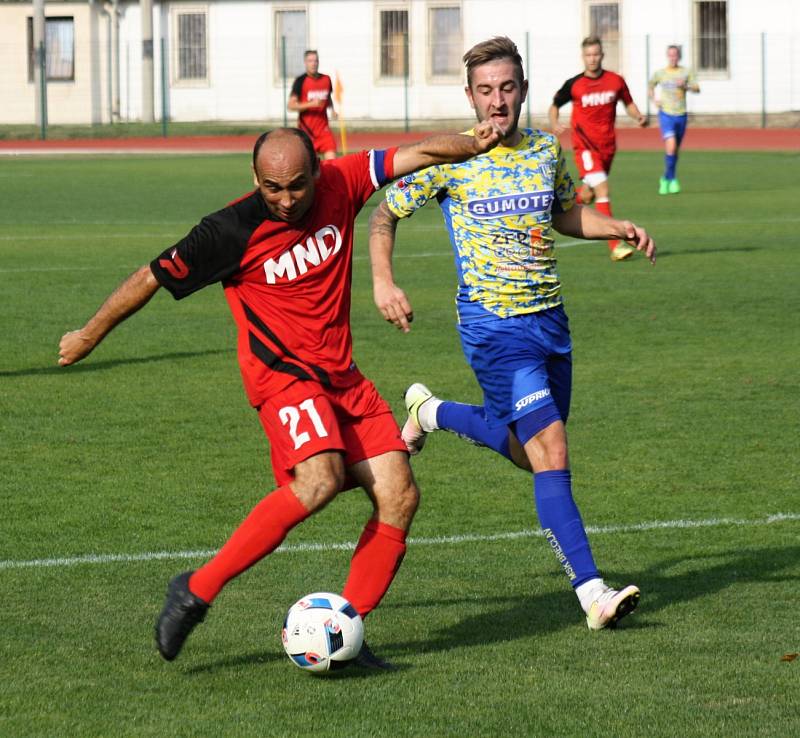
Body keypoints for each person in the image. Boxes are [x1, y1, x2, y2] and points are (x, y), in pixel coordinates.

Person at [58, 123, 501, 666]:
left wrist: (474, 142)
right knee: (320, 479)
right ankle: (195, 590)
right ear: (255, 179)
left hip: (343, 377)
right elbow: (151, 277)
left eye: (297, 185)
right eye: (273, 188)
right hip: (282, 378)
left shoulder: (345, 180)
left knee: (400, 495)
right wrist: (87, 334)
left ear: (317, 171)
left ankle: (346, 629)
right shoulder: (228, 230)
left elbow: (420, 151)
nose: (287, 200)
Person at [369, 36, 656, 632]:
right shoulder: (452, 156)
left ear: (522, 90)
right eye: (485, 91)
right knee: (551, 450)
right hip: (493, 328)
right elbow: (384, 212)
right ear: (469, 96)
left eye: (506, 89)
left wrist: (613, 227)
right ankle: (591, 592)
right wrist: (382, 281)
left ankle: (432, 413)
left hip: (550, 323)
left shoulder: (545, 151)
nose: (497, 102)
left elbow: (562, 212)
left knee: (532, 457)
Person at [548, 36, 648, 261]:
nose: (592, 59)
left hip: (607, 148)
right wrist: (555, 123)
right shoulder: (574, 84)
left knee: (588, 194)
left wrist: (638, 116)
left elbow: (628, 103)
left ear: (602, 55)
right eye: (588, 55)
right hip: (585, 147)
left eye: (596, 54)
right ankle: (615, 246)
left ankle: (555, 211)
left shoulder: (616, 81)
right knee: (603, 190)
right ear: (583, 57)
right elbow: (554, 105)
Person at [649, 44, 700, 195]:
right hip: (666, 114)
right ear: (667, 56)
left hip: (681, 115)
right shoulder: (661, 73)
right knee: (670, 147)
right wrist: (654, 99)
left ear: (679, 56)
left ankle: (666, 178)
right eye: (670, 55)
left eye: (675, 55)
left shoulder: (685, 72)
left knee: (675, 150)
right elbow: (650, 85)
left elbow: (697, 88)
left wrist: (686, 86)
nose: (673, 57)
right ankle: (672, 180)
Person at [288, 50, 337, 160]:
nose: (313, 63)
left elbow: (328, 97)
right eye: (310, 61)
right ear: (305, 63)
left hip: (324, 130)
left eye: (315, 60)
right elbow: (291, 106)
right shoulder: (300, 81)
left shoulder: (326, 79)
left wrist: (332, 110)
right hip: (307, 131)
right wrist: (311, 104)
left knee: (332, 162)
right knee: (312, 167)